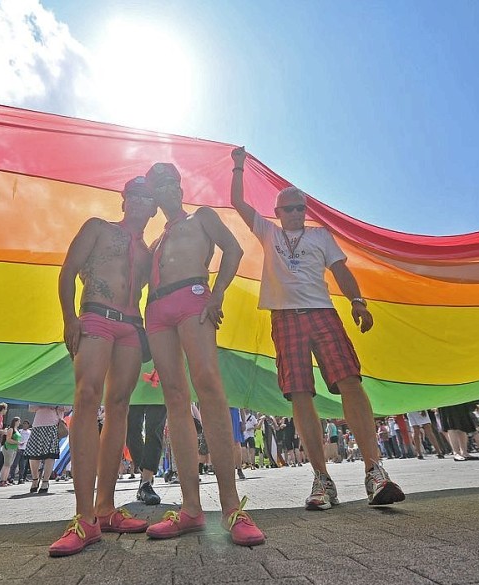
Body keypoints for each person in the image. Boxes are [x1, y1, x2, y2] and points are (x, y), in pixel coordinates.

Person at [230, 147, 405, 509]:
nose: (295, 213)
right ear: (277, 212)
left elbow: (341, 270)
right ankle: (322, 479)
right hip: (285, 316)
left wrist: (359, 302)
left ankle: (375, 471)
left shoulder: (321, 237)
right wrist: (238, 167)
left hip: (323, 312)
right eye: (288, 208)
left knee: (350, 381)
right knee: (299, 392)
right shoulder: (267, 231)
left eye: (300, 207)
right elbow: (237, 202)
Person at [142, 162, 265, 547]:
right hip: (157, 311)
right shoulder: (157, 239)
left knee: (209, 386)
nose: (166, 189)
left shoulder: (202, 217)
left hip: (194, 295)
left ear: (179, 185)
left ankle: (231, 507)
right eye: (157, 185)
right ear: (154, 194)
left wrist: (219, 292)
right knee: (175, 399)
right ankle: (191, 509)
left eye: (169, 181)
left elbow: (234, 248)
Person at [49, 176, 158, 557]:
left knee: (119, 408)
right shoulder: (97, 227)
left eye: (150, 197)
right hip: (94, 315)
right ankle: (84, 518)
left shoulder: (148, 251)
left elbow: (156, 295)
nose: (144, 202)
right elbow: (67, 271)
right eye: (138, 195)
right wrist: (69, 319)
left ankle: (106, 508)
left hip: (131, 327)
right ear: (125, 199)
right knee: (86, 397)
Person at [126, 403, 166, 505]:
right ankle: (145, 477)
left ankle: (146, 482)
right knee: (131, 428)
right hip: (132, 389)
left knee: (155, 428)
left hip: (158, 388)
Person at [25, 405, 67, 494]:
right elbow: (31, 407)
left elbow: (67, 407)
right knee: (33, 455)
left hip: (53, 425)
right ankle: (35, 480)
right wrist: (44, 404)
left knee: (50, 455)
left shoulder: (61, 392)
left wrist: (55, 405)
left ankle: (45, 481)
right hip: (37, 425)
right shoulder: (39, 392)